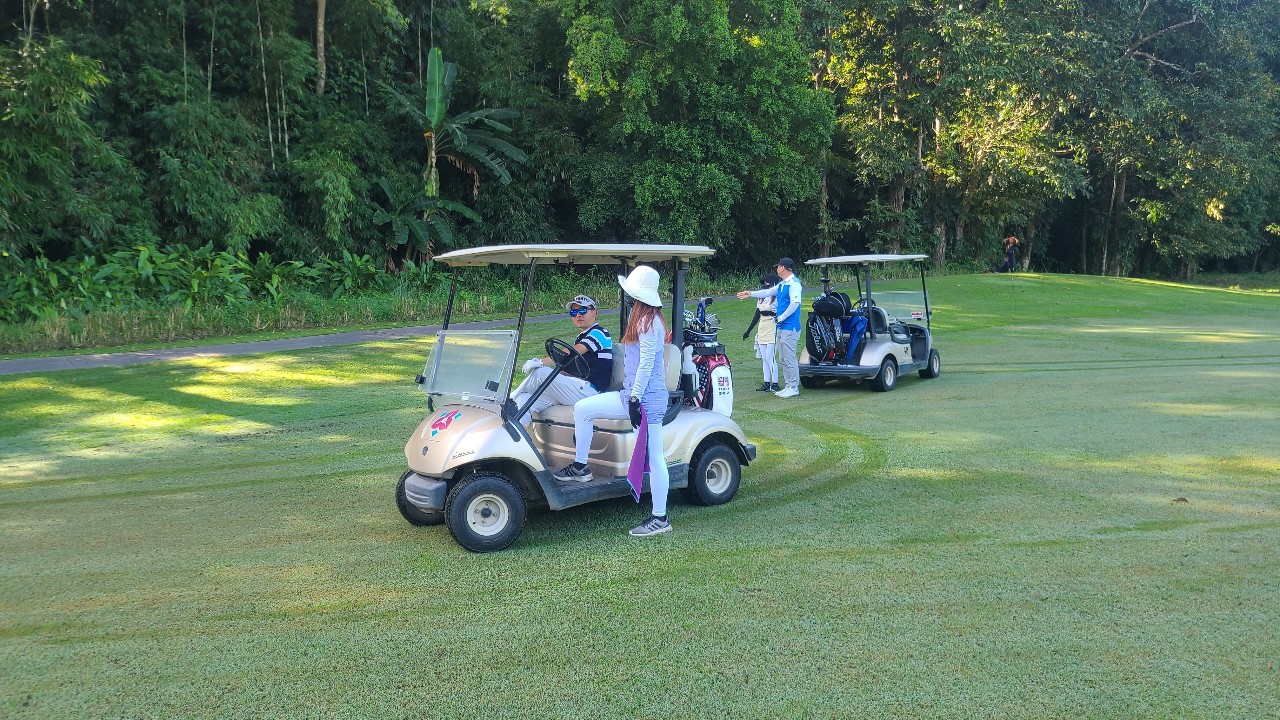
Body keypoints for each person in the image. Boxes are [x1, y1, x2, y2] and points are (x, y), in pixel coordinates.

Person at [553, 266, 673, 538]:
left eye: (631, 293)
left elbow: (646, 365)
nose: (628, 297)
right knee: (583, 409)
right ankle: (581, 466)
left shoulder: (650, 322)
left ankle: (660, 517)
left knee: (655, 456)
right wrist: (631, 397)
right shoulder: (639, 317)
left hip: (647, 398)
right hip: (631, 394)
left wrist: (635, 399)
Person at [509, 294, 612, 425]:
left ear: (594, 313)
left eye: (582, 310)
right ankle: (519, 434)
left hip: (590, 392)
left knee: (541, 373)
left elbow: (572, 353)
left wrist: (541, 362)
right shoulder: (582, 337)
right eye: (574, 312)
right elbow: (572, 368)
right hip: (576, 388)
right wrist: (558, 373)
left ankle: (509, 400)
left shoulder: (600, 333)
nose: (578, 315)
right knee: (524, 399)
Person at [737, 257, 802, 398]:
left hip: (790, 327)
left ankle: (793, 387)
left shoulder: (794, 284)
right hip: (781, 326)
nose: (777, 269)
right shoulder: (783, 284)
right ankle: (788, 385)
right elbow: (767, 292)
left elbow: (795, 303)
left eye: (778, 266)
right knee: (783, 358)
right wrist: (751, 293)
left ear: (782, 268)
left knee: (789, 358)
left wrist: (781, 317)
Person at [742, 273, 780, 392]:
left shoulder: (777, 297)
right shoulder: (761, 298)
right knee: (764, 358)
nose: (764, 285)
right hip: (762, 326)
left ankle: (775, 383)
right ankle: (767, 382)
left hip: (773, 326)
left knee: (770, 357)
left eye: (767, 283)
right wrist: (749, 330)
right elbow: (757, 314)